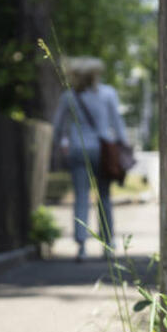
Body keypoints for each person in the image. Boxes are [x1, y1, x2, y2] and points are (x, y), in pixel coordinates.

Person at [52, 57, 128, 261]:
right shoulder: (108, 94)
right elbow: (117, 123)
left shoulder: (69, 97)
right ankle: (108, 242)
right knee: (104, 196)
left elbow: (58, 127)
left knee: (81, 197)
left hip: (78, 149)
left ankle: (81, 245)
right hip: (103, 150)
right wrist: (125, 146)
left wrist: (60, 146)